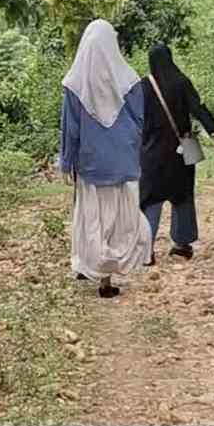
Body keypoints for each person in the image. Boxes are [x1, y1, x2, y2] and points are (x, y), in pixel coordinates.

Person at [59, 19, 152, 298]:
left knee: (92, 220)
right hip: (123, 161)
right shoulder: (130, 81)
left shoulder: (74, 85)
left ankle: (92, 268)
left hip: (91, 164)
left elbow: (70, 129)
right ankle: (106, 279)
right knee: (120, 220)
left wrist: (67, 161)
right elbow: (140, 122)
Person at [139, 42, 214, 263]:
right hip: (181, 151)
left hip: (151, 153)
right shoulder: (181, 82)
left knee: (150, 199)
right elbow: (200, 110)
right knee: (182, 196)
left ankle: (145, 250)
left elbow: (135, 119)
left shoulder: (143, 86)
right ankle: (182, 244)